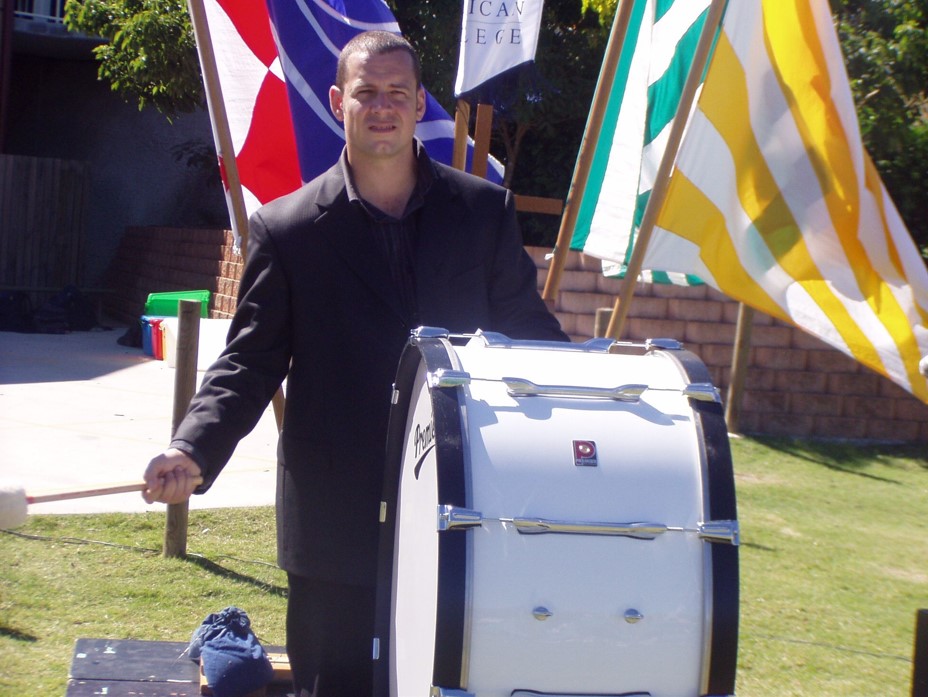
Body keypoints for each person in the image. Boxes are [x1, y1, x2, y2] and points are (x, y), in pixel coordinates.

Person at [142, 30, 567, 697]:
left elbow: (530, 335)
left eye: (398, 92)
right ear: (339, 101)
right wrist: (191, 447)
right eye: (366, 92)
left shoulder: (483, 213)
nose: (383, 106)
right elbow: (248, 363)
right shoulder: (288, 230)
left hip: (457, 510)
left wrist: (579, 410)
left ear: (419, 101)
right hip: (332, 526)